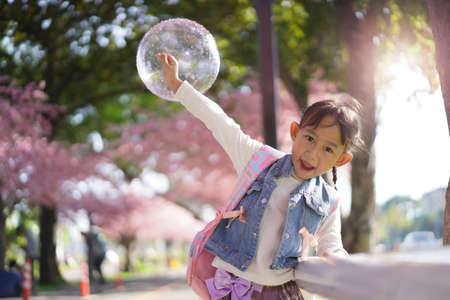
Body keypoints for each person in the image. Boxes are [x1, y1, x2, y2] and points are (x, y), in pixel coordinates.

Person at [156, 53, 363, 299]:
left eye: (328, 149)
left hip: (279, 291)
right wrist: (178, 86)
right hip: (234, 285)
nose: (313, 153)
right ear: (295, 132)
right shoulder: (259, 160)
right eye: (309, 138)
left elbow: (332, 245)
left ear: (341, 159)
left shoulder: (329, 199)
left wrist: (339, 263)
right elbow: (220, 122)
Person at [17, 224, 39, 294]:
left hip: (32, 255)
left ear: (21, 230)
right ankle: (32, 289)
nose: (21, 235)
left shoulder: (28, 232)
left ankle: (32, 290)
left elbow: (32, 245)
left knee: (30, 273)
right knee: (30, 273)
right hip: (32, 254)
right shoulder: (28, 233)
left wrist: (25, 248)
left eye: (19, 233)